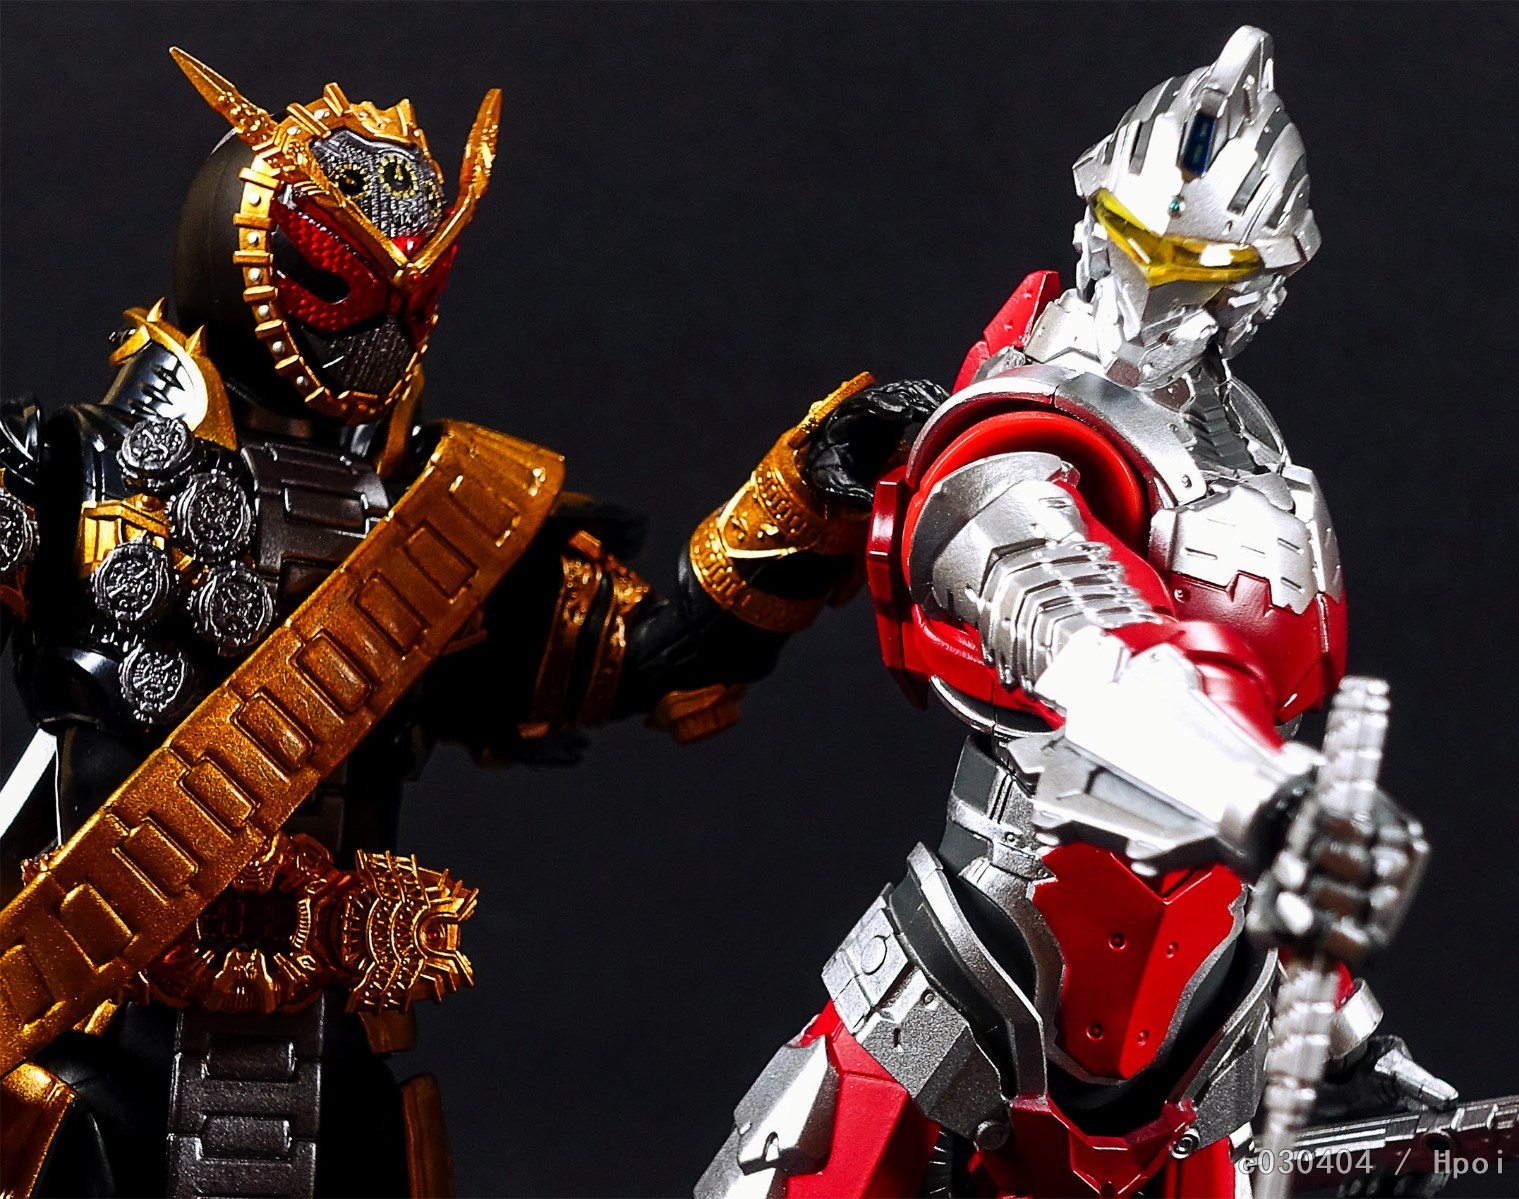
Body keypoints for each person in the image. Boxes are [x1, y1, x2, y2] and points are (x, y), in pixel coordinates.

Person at [0, 50, 944, 1198]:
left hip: (336, 1056)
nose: (390, 312)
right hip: (102, 1027)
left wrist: (809, 490)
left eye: (417, 278)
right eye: (350, 273)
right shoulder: (68, 473)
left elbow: (659, 655)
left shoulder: (445, 520)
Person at [697, 27, 1455, 1199]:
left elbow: (1253, 805)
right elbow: (1084, 641)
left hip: (1195, 1054)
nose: (1151, 290)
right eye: (1131, 241)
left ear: (1261, 281)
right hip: (972, 1014)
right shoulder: (1018, 427)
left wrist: (1346, 1035)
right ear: (1091, 219)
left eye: (1197, 266)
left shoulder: (1256, 466)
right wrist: (1270, 800)